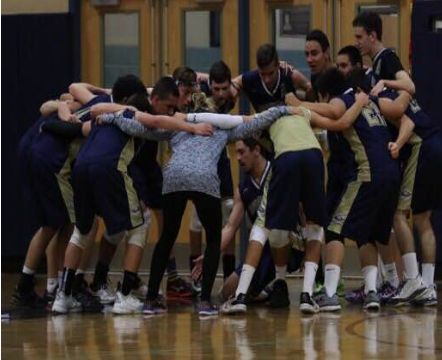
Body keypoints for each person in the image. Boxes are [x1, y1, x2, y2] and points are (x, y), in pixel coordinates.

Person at [101, 98, 296, 316]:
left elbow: (141, 129)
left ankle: (151, 301)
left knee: (166, 237)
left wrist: (109, 118)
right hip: (204, 179)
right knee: (212, 239)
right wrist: (284, 109)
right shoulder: (222, 129)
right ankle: (204, 302)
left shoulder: (177, 128)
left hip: (174, 176)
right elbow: (256, 123)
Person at [52, 77, 213, 315]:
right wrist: (194, 128)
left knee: (82, 231)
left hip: (82, 167)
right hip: (108, 167)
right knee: (140, 225)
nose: (171, 112)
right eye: (169, 107)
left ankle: (62, 297)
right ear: (149, 102)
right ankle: (125, 294)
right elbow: (156, 119)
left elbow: (93, 106)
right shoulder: (132, 113)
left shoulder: (107, 112)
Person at [353, 11, 415, 95]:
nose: (356, 43)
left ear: (372, 36)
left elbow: (410, 86)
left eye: (359, 37)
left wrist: (384, 82)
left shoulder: (388, 57)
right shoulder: (377, 60)